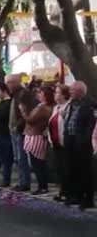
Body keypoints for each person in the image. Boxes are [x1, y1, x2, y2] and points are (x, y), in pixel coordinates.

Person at [62, 81, 95, 209]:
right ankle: (76, 196)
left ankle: (88, 199)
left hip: (82, 143)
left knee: (85, 171)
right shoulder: (71, 103)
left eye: (72, 90)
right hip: (70, 140)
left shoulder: (89, 104)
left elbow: (90, 125)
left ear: (80, 91)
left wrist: (85, 139)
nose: (70, 92)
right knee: (72, 170)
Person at [19, 86, 54, 195]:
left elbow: (30, 120)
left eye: (41, 93)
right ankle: (42, 186)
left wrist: (23, 111)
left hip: (36, 136)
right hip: (34, 134)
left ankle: (42, 186)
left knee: (37, 163)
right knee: (37, 163)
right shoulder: (42, 106)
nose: (38, 95)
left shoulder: (43, 108)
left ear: (46, 96)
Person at [6, 74, 34, 192]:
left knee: (21, 157)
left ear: (17, 82)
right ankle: (21, 181)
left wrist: (18, 126)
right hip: (13, 129)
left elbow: (26, 112)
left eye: (10, 82)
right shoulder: (15, 95)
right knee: (17, 157)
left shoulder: (23, 93)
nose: (8, 85)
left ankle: (25, 182)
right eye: (7, 82)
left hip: (20, 130)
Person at [49, 84, 71, 202]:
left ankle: (68, 193)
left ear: (64, 94)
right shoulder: (56, 107)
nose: (55, 94)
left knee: (66, 169)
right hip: (55, 142)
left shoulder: (68, 107)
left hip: (65, 143)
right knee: (60, 169)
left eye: (57, 92)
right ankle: (63, 191)